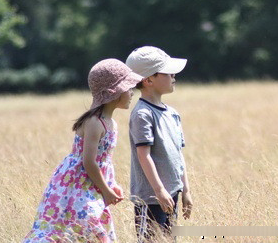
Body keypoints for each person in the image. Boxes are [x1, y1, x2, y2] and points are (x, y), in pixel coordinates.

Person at [23, 59, 143, 242]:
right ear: (114, 92)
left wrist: (111, 184)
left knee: (90, 227)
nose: (132, 92)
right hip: (76, 185)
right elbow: (89, 162)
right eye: (128, 88)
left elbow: (104, 161)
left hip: (92, 184)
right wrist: (106, 190)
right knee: (83, 223)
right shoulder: (94, 123)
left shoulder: (111, 123)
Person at [125, 46, 193, 242]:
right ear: (148, 80)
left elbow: (178, 154)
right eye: (167, 72)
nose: (173, 76)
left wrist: (185, 190)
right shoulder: (142, 114)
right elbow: (143, 155)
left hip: (172, 192)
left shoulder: (172, 113)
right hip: (151, 197)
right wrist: (159, 191)